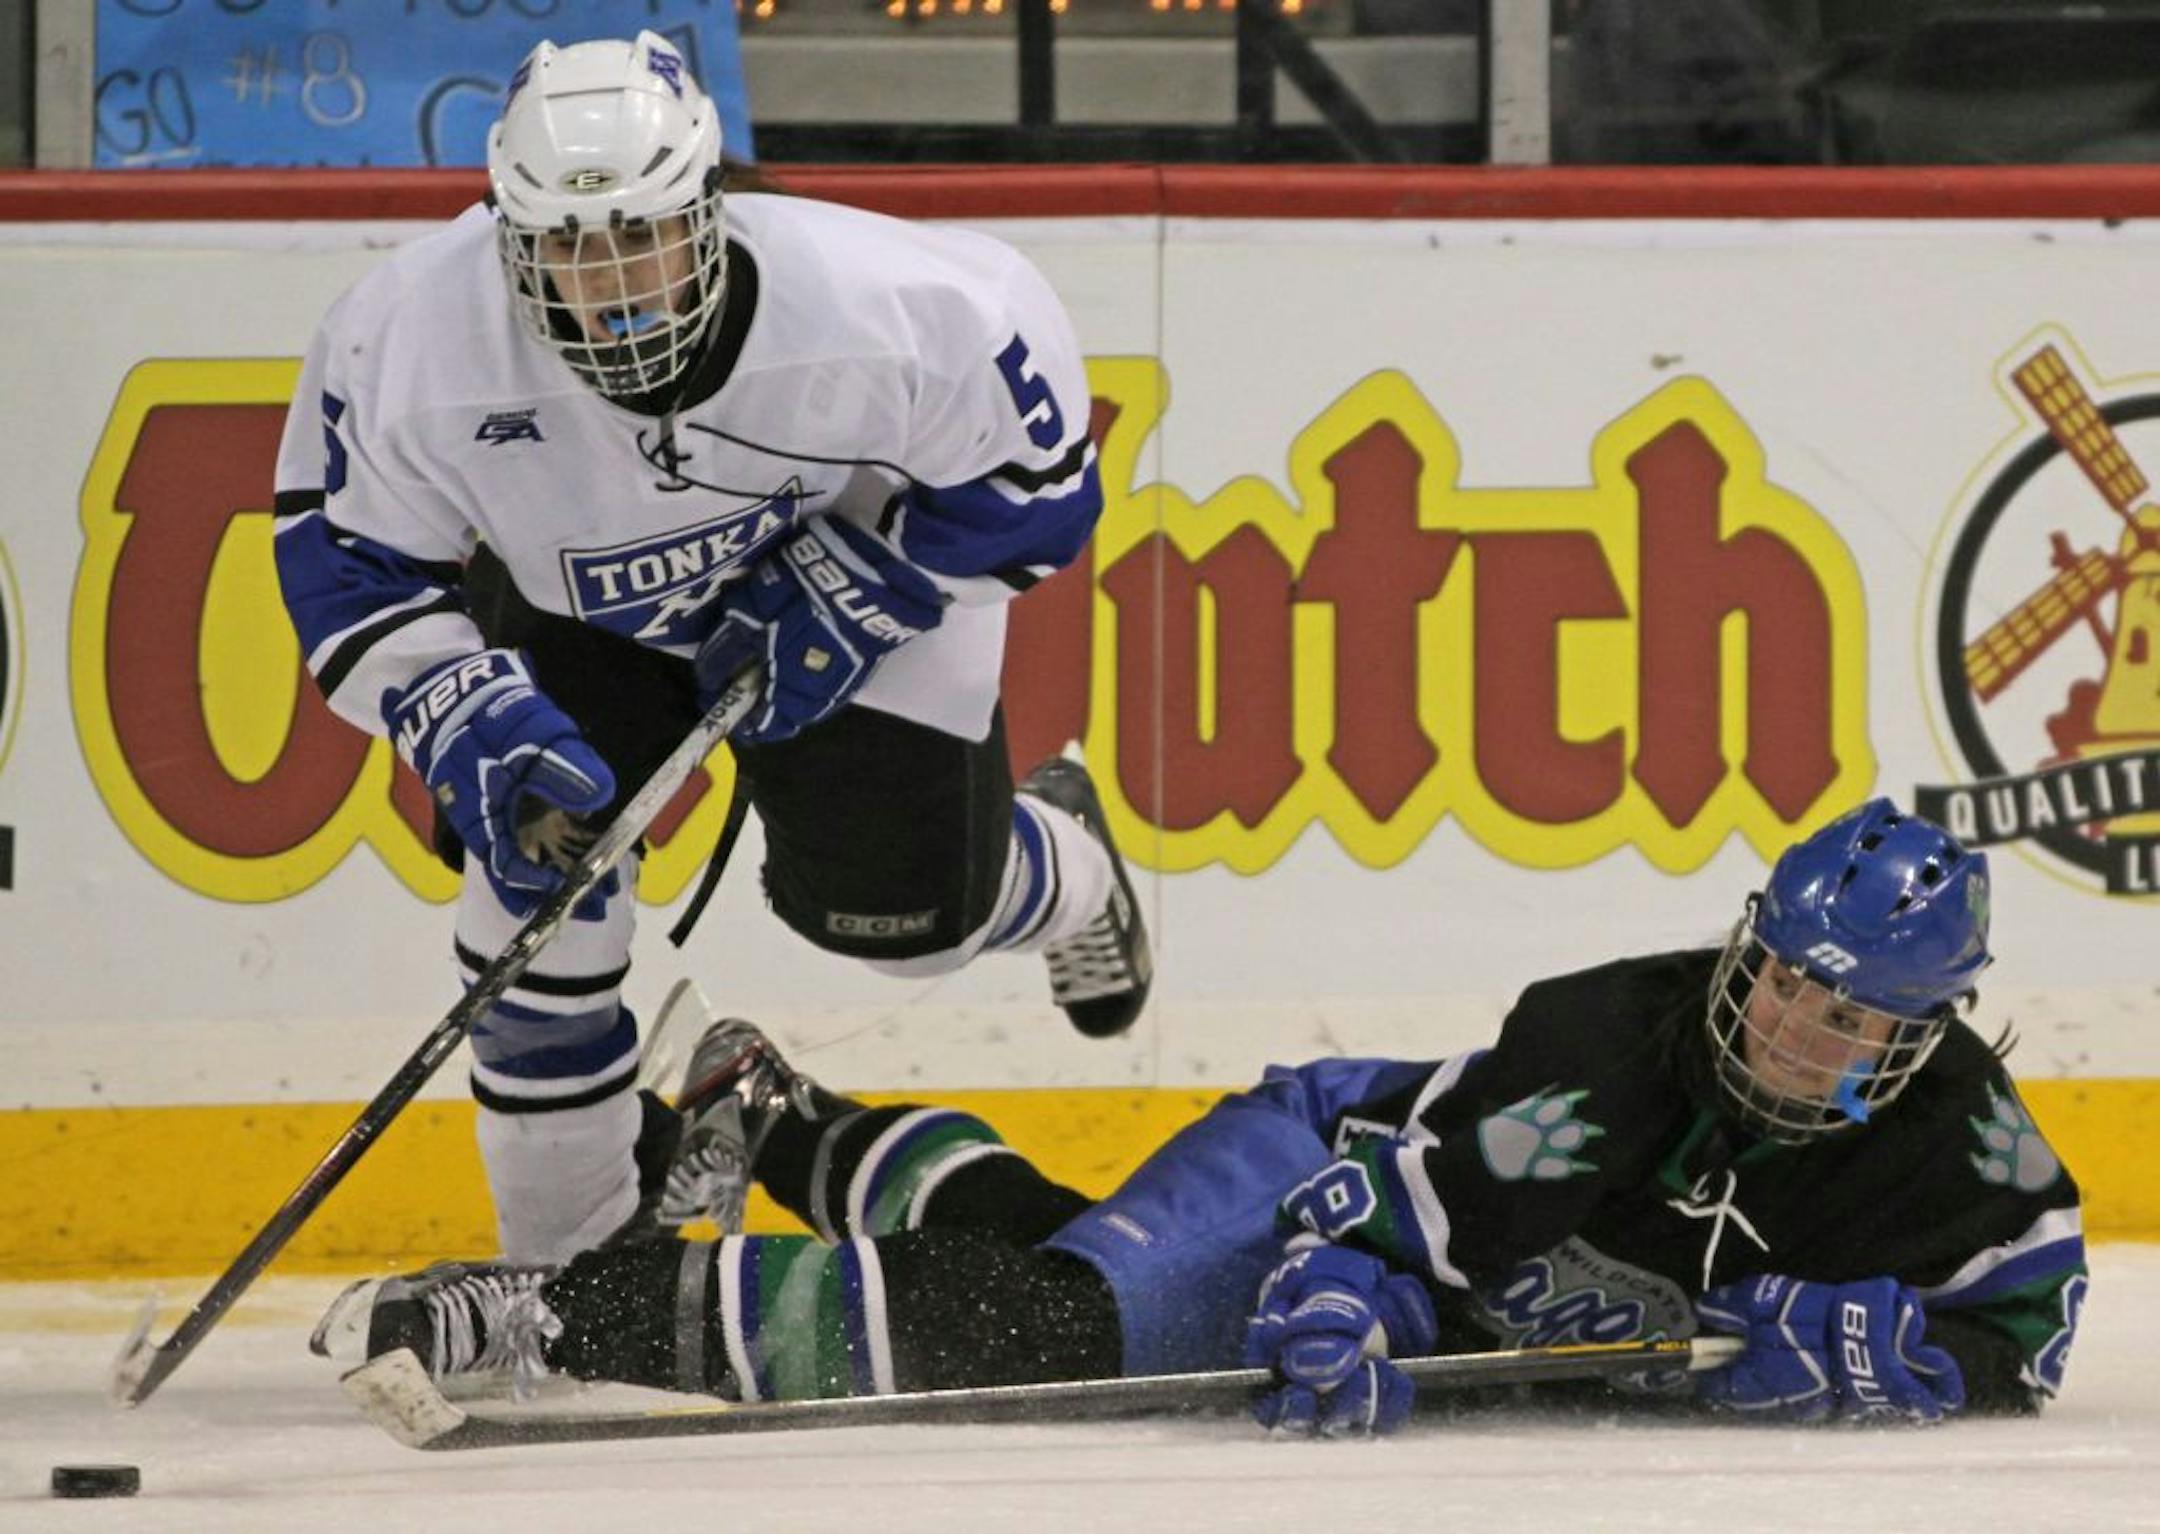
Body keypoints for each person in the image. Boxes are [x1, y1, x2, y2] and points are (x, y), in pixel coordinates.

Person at [312, 799, 2087, 1434]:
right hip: (1339, 1162)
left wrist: (1910, 1353)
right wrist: (1350, 1293)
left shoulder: (1974, 1149)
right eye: (1782, 970)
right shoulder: (1598, 1048)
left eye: (1852, 1011)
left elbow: (2034, 1311)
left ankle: (773, 1117)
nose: (1791, 1022)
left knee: (1069, 1255)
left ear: (1927, 1034)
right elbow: (1393, 1222)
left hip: (1412, 1225)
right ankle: (539, 1309)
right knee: (1055, 1324)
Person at [271, 32, 1150, 1270]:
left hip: (856, 580)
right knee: (535, 878)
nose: (611, 280)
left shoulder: (894, 303)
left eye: (640, 233)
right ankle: (570, 1267)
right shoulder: (405, 337)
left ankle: (1069, 865)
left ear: (709, 208)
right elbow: (349, 568)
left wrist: (867, 580)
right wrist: (457, 708)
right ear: (506, 234)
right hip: (584, 606)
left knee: (904, 924)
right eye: (568, 247)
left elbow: (1038, 491)